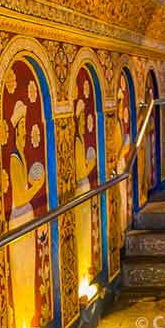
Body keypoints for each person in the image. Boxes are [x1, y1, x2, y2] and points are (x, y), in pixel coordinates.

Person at [7, 100, 46, 328]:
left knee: (28, 270)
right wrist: (38, 187)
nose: (23, 134)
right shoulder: (13, 158)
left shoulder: (19, 155)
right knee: (21, 272)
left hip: (26, 218)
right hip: (19, 218)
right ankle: (22, 323)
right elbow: (20, 197)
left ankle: (28, 319)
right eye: (21, 129)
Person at [73, 99, 98, 282]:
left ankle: (85, 269)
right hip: (81, 190)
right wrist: (92, 165)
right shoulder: (78, 143)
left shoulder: (80, 141)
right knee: (82, 232)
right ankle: (82, 270)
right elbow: (81, 172)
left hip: (85, 190)